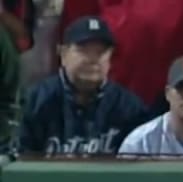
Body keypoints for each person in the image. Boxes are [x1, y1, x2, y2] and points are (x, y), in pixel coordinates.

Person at [20, 16, 147, 157]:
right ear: (63, 54)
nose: (92, 59)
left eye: (101, 52)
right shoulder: (35, 101)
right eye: (83, 50)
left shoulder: (130, 108)